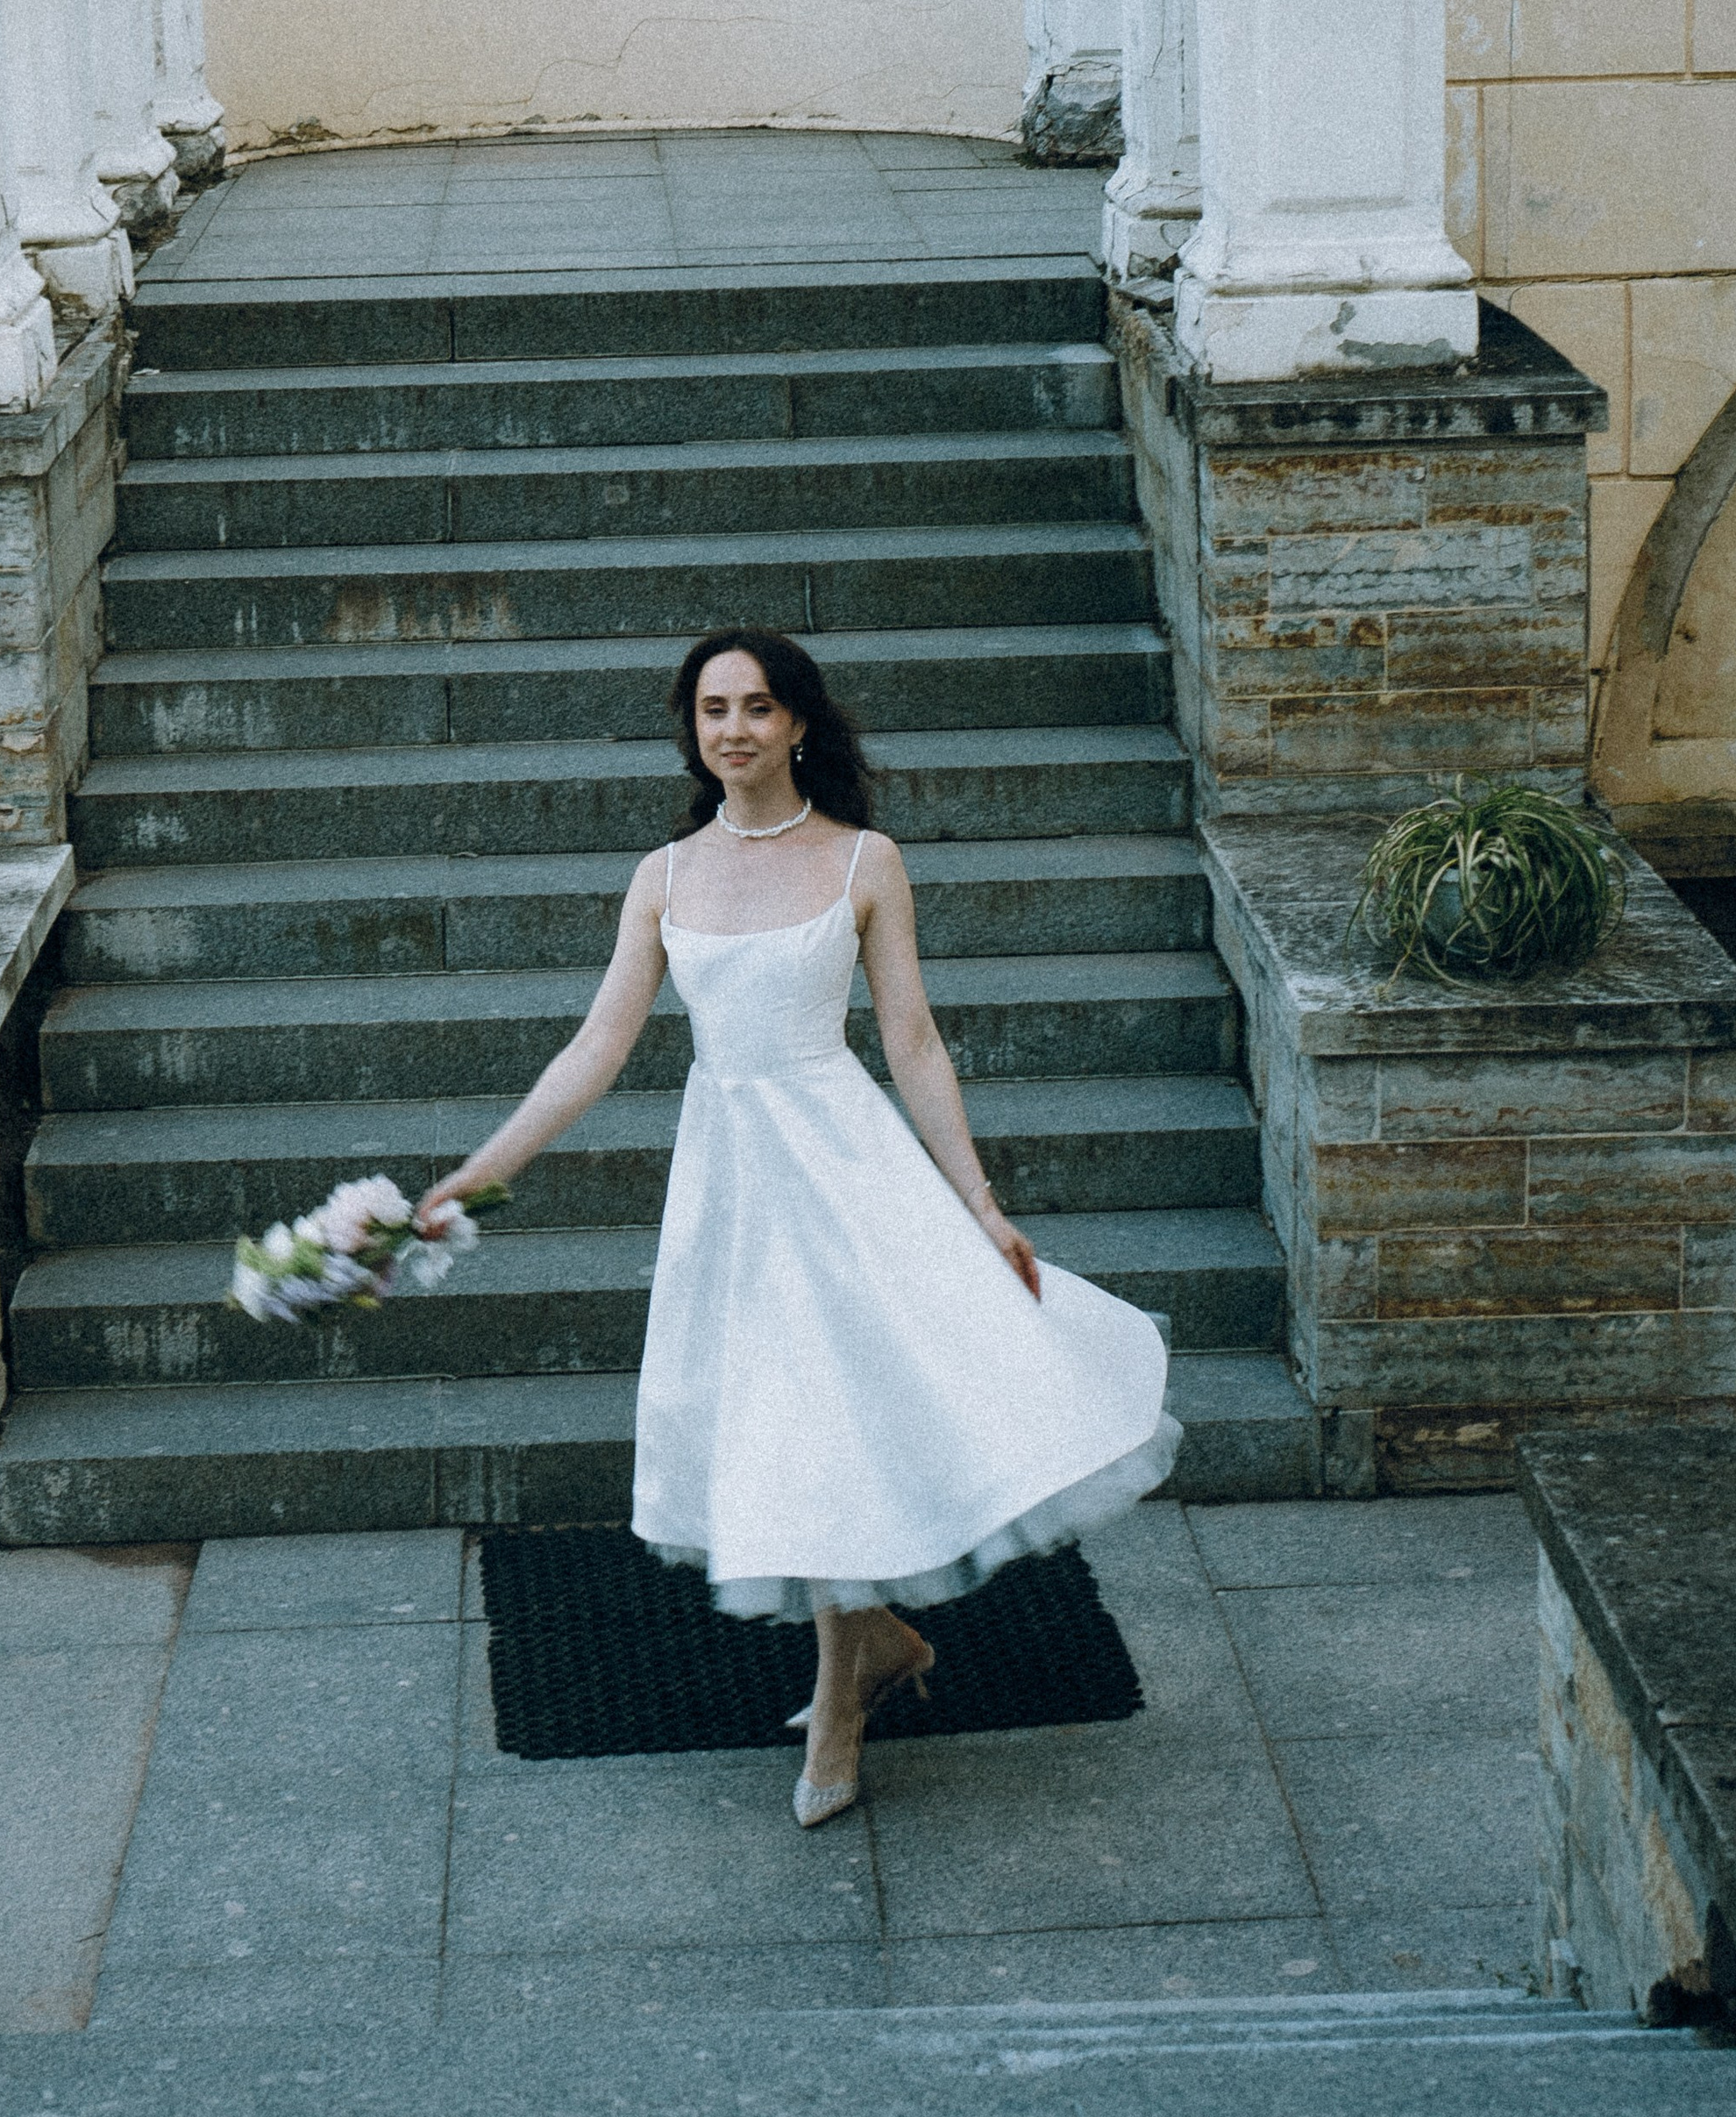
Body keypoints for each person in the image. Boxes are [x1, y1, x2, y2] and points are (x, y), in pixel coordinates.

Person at [419, 627, 1180, 1828]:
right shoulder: (665, 878)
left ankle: (838, 1705)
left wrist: (979, 1204)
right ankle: (873, 1642)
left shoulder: (866, 861)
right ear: (695, 731)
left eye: (758, 707)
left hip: (843, 1167)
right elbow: (595, 1050)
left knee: (838, 1416)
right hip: (731, 1183)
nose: (734, 729)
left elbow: (914, 1044)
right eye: (714, 709)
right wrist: (475, 1178)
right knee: (785, 1420)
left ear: (798, 725)